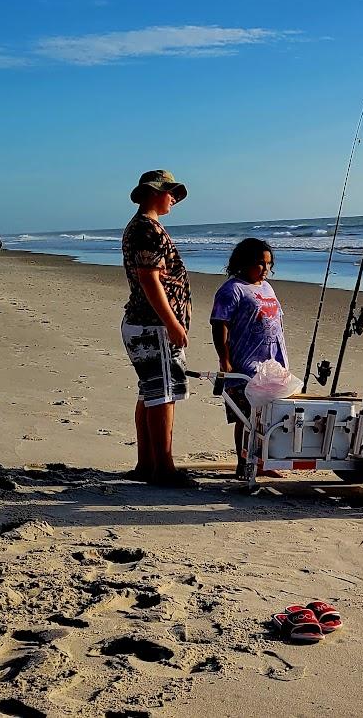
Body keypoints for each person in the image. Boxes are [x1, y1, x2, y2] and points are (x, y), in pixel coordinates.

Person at [121, 169, 196, 488]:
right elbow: (149, 279)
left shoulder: (142, 227)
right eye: (170, 193)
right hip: (152, 326)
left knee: (150, 393)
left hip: (144, 323)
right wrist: (172, 322)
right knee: (163, 394)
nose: (174, 199)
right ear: (154, 192)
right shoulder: (147, 230)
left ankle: (147, 463)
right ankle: (163, 467)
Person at [210, 238, 288, 475]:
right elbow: (219, 324)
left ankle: (262, 462)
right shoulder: (232, 290)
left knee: (269, 416)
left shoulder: (267, 288)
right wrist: (225, 360)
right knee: (246, 418)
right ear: (243, 263)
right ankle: (244, 463)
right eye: (260, 264)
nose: (265, 269)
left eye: (268, 264)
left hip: (272, 362)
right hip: (244, 364)